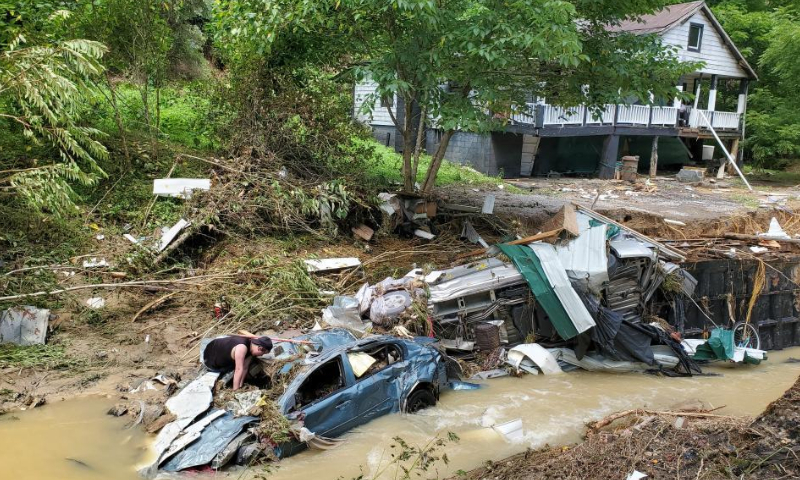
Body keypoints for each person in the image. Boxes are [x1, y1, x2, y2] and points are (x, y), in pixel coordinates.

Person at [203, 335, 272, 390]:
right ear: (260, 348)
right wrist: (236, 390)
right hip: (209, 360)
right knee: (236, 367)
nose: (261, 355)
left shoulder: (250, 345)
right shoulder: (242, 347)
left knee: (244, 363)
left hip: (214, 346)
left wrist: (241, 385)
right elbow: (239, 369)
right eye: (262, 353)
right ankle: (234, 386)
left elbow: (245, 368)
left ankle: (238, 385)